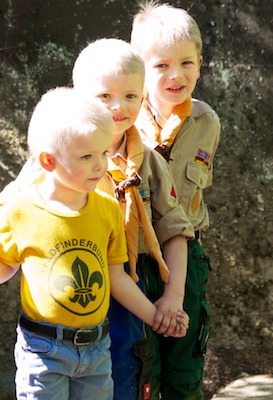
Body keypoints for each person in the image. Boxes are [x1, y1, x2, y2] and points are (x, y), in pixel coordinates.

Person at [0, 87, 189, 400]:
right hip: (44, 350)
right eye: (87, 157)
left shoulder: (106, 209)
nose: (100, 165)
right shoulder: (22, 211)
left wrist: (156, 317)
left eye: (103, 153)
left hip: (98, 348)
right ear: (47, 160)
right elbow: (5, 265)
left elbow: (115, 277)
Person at [72, 38, 195, 400]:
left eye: (130, 96)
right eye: (105, 97)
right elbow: (11, 206)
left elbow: (174, 228)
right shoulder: (64, 156)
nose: (119, 107)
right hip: (79, 288)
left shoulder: (149, 163)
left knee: (130, 376)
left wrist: (172, 298)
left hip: (133, 284)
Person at [130, 2, 221, 399]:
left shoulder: (206, 123)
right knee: (140, 370)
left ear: (200, 65)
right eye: (162, 65)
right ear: (140, 69)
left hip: (188, 260)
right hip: (134, 262)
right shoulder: (123, 124)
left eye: (186, 63)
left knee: (184, 370)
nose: (176, 75)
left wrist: (180, 285)